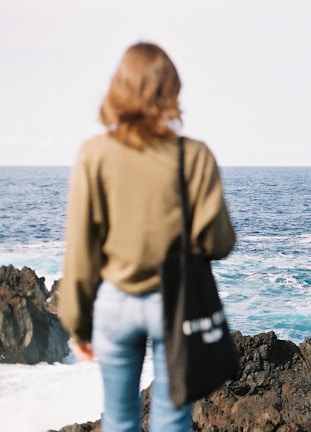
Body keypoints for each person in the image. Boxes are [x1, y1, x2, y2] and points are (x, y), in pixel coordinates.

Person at [59, 42, 236, 432]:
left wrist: (77, 321)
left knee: (119, 419)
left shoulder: (94, 154)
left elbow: (81, 251)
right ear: (171, 90)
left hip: (115, 305)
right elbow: (220, 242)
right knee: (172, 420)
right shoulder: (194, 156)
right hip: (175, 307)